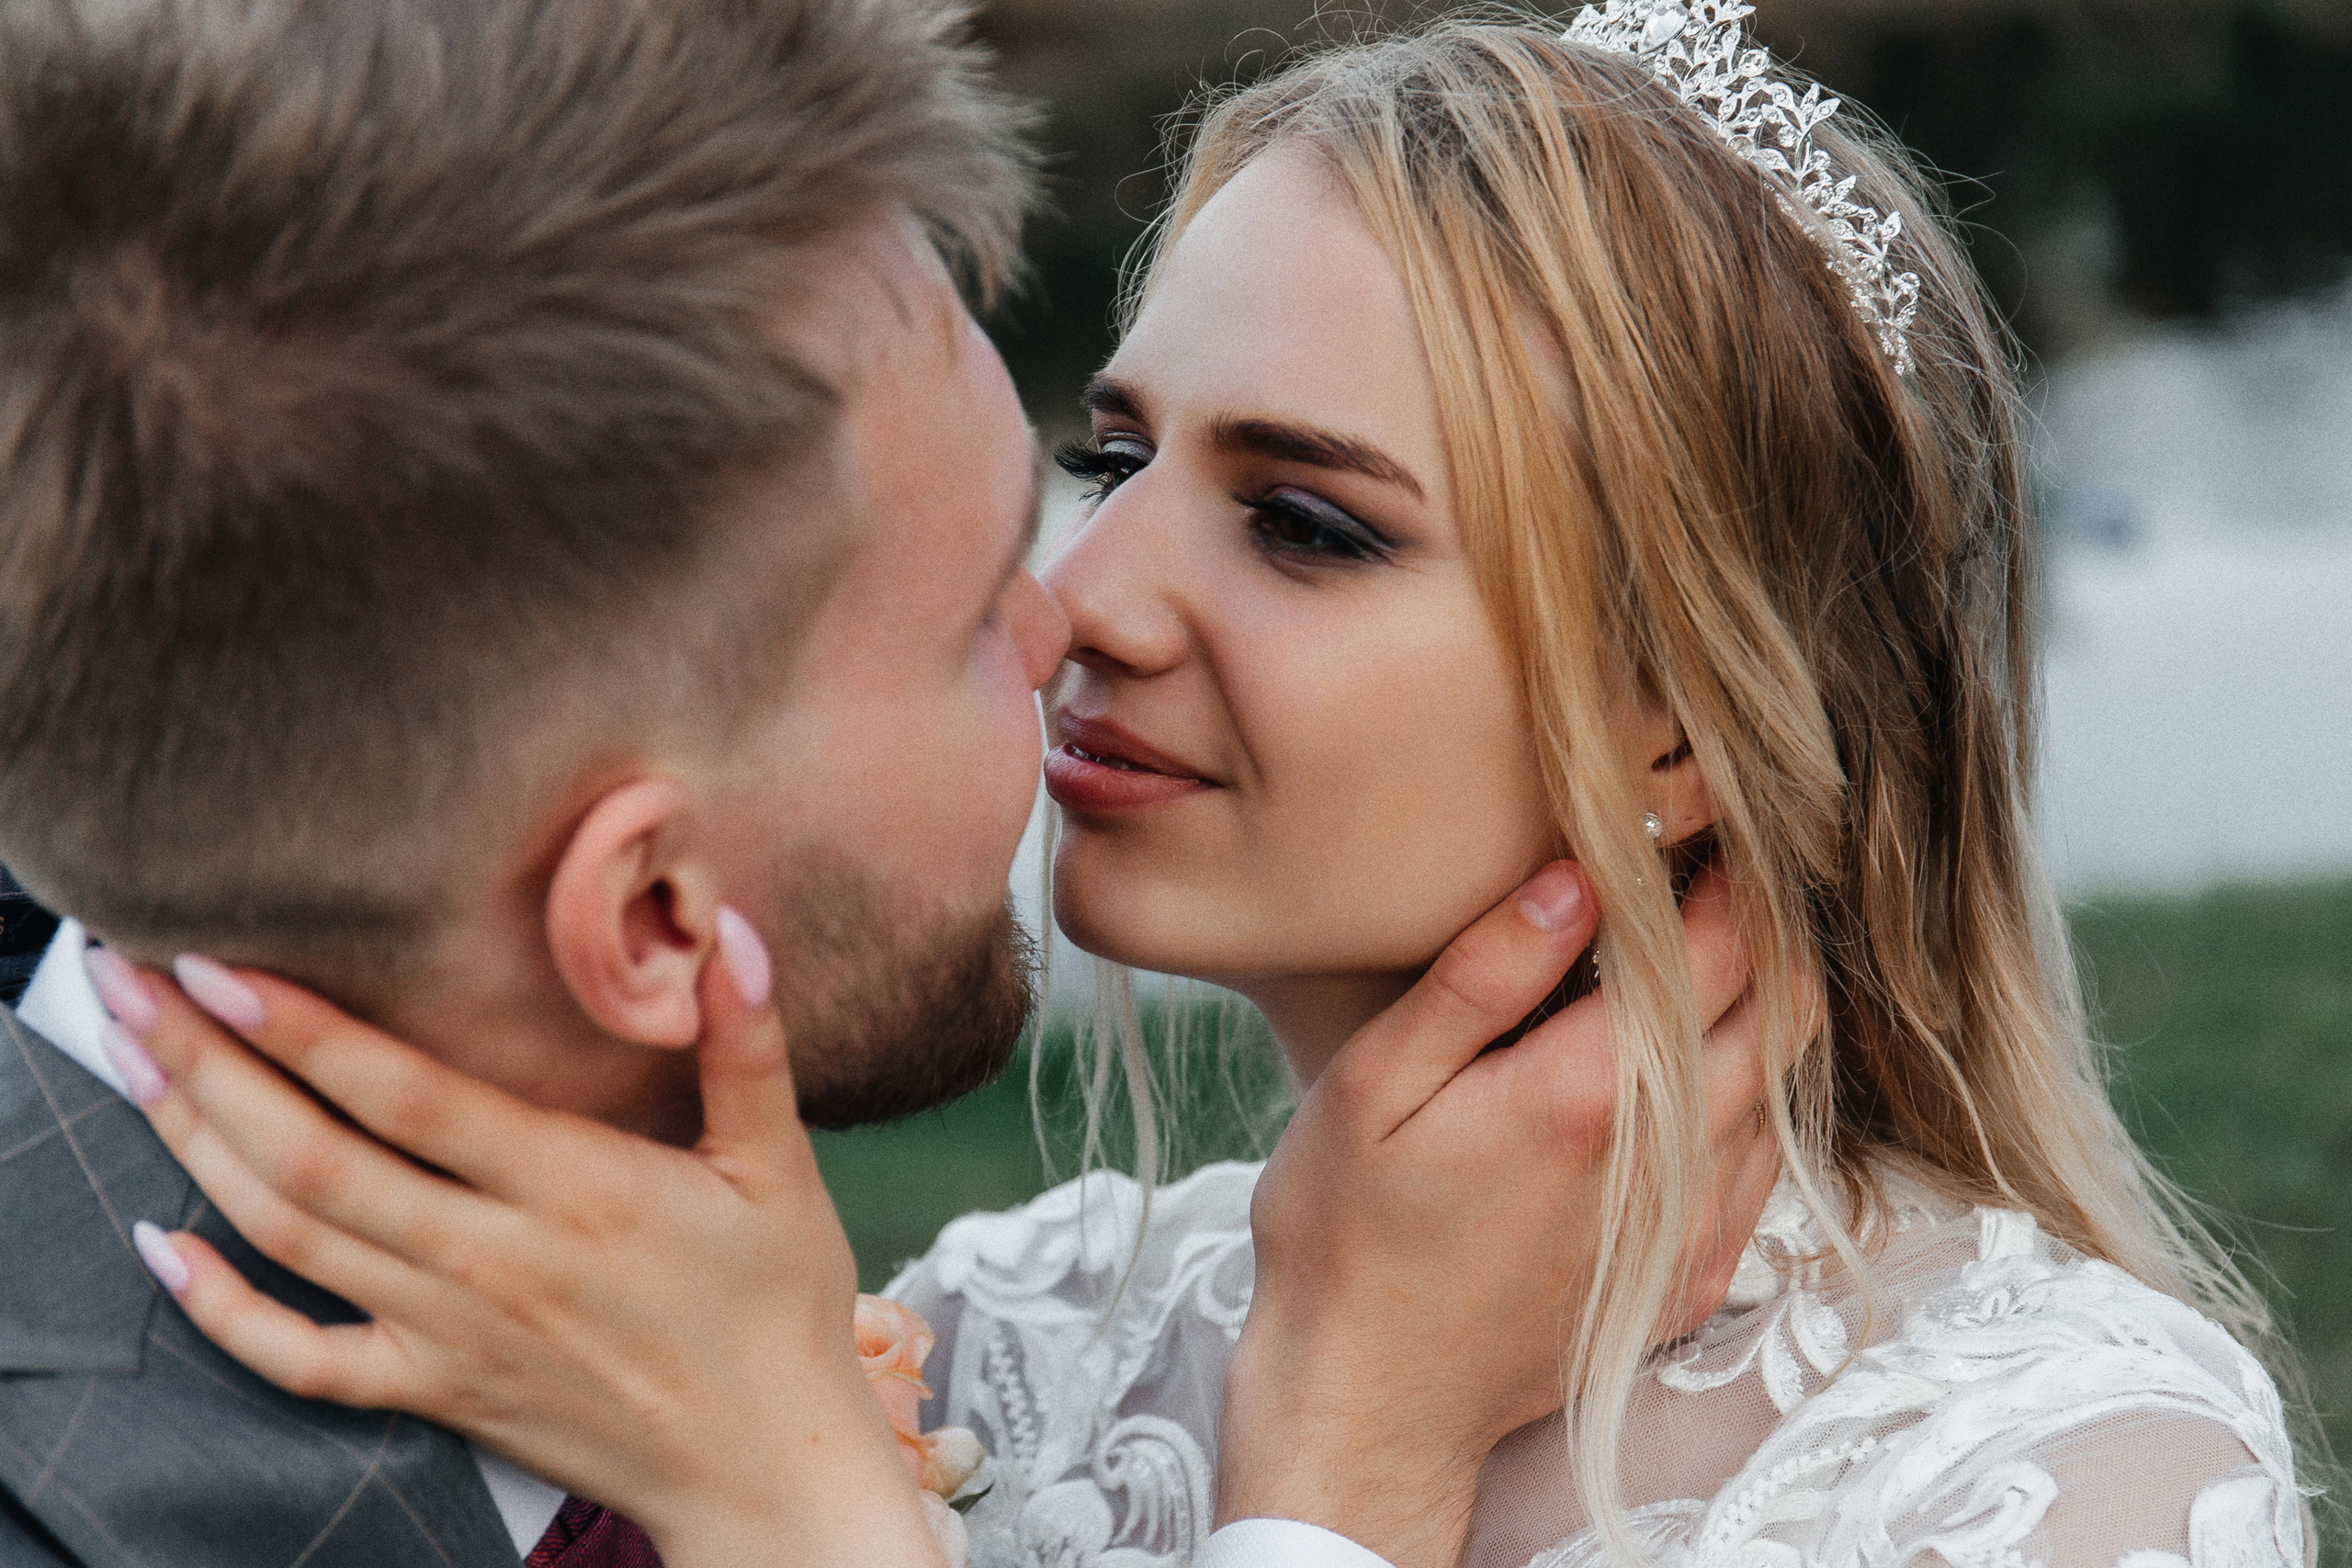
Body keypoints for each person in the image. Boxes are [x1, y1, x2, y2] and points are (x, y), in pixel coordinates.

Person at [56, 5, 2325, 1568]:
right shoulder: (1003, 1324)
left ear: (1682, 719)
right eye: (1113, 452)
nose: (1081, 594)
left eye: (1305, 521)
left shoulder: (2046, 1473)